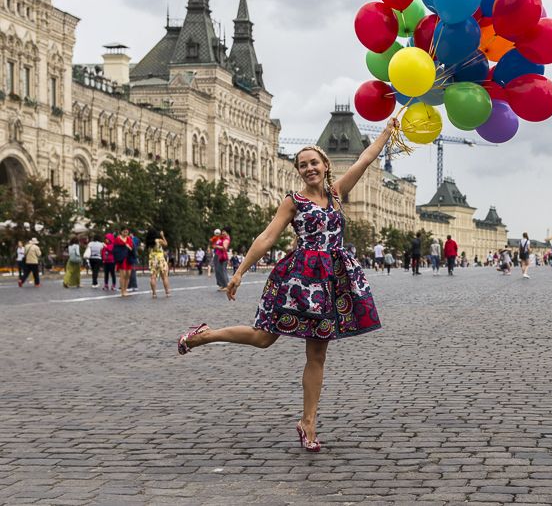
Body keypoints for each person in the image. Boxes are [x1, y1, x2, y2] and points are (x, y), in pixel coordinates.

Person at [177, 121, 395, 453]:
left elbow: (365, 159)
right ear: (299, 171)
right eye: (303, 165)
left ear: (325, 166)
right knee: (264, 338)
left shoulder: (337, 194)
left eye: (313, 163)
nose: (309, 168)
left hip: (331, 279)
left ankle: (308, 423)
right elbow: (267, 236)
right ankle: (205, 335)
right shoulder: (293, 201)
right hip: (299, 278)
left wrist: (387, 132)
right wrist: (239, 272)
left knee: (318, 353)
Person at [147, 230, 171, 298]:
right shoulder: (158, 240)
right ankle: (167, 292)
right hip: (160, 259)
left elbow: (149, 251)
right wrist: (162, 235)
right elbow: (166, 244)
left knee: (153, 277)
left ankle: (154, 294)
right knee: (164, 277)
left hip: (152, 259)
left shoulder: (148, 242)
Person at [113, 228, 134, 297]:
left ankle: (125, 290)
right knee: (123, 275)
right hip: (122, 259)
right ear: (121, 232)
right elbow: (115, 250)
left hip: (128, 258)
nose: (125, 233)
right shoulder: (117, 239)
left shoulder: (129, 239)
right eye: (124, 232)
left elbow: (132, 249)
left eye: (127, 232)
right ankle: (122, 291)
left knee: (128, 275)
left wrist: (127, 246)